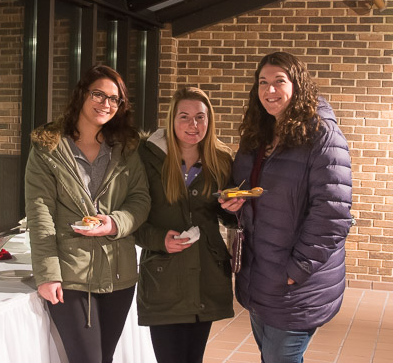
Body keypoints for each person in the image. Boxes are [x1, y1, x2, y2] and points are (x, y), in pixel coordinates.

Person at [221, 51, 353, 363]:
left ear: (297, 85)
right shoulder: (257, 135)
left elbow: (333, 214)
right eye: (262, 82)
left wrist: (296, 270)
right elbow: (246, 192)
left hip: (295, 285)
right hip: (260, 276)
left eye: (279, 82)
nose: (269, 90)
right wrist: (232, 202)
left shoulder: (322, 135)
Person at [24, 64, 151, 363]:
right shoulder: (49, 148)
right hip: (70, 276)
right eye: (98, 94)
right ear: (81, 94)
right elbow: (39, 212)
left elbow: (140, 200)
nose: (105, 104)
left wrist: (113, 223)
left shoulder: (127, 147)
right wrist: (47, 273)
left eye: (114, 99)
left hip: (119, 276)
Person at [136, 86, 235, 363]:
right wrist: (158, 240)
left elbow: (227, 217)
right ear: (172, 118)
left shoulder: (221, 159)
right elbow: (131, 217)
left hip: (206, 277)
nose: (193, 125)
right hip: (164, 278)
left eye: (200, 117)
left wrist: (234, 209)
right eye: (184, 117)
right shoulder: (146, 157)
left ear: (209, 120)